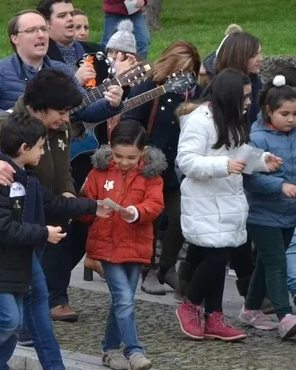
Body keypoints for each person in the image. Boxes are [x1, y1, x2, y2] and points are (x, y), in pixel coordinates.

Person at [0, 112, 101, 370]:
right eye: (40, 147)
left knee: (15, 321)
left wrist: (95, 206)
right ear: (24, 149)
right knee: (8, 320)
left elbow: (53, 202)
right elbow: (1, 226)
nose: (43, 152)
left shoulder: (27, 180)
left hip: (18, 261)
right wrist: (42, 234)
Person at [175, 69, 281, 341]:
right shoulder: (200, 120)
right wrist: (223, 166)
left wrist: (262, 161)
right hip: (205, 200)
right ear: (229, 96)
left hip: (227, 200)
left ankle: (215, 316)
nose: (248, 102)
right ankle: (191, 305)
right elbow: (186, 161)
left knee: (220, 256)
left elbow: (240, 156)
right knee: (218, 255)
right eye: (244, 97)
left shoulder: (233, 120)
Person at [80, 121, 165, 370]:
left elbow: (155, 204)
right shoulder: (99, 173)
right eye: (118, 156)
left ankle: (108, 348)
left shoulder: (151, 176)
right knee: (125, 300)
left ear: (143, 152)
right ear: (110, 150)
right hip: (107, 245)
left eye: (131, 157)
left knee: (122, 300)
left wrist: (136, 212)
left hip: (135, 244)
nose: (124, 162)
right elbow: (85, 207)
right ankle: (134, 351)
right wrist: (92, 206)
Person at [123, 41, 202, 295]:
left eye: (190, 69)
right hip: (150, 165)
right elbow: (131, 120)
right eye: (181, 68)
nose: (185, 75)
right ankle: (148, 270)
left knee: (179, 219)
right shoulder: (149, 86)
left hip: (179, 168)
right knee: (150, 221)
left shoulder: (194, 91)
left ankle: (166, 268)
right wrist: (142, 151)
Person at [0, 11, 123, 131]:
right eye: (31, 30)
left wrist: (111, 104)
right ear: (14, 38)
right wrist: (14, 122)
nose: (41, 35)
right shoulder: (1, 70)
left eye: (44, 29)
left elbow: (84, 109)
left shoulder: (62, 71)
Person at [241, 70, 296, 339]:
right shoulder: (257, 139)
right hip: (262, 215)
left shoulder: (294, 135)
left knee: (266, 261)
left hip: (288, 213)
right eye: (285, 114)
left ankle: (250, 308)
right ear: (268, 111)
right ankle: (286, 315)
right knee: (277, 263)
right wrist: (280, 186)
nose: (291, 119)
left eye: (295, 114)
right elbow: (250, 179)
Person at [41, 0, 102, 76]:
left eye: (72, 14)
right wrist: (77, 81)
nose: (70, 18)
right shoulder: (40, 56)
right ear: (46, 23)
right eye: (62, 16)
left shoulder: (96, 51)